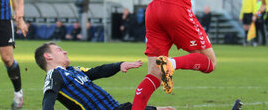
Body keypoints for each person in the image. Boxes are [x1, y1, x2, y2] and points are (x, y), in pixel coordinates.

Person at [34, 42, 175, 110]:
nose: (64, 51)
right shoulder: (54, 74)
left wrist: (119, 65)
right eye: (59, 50)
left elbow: (97, 71)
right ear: (48, 56)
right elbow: (48, 100)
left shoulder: (73, 71)